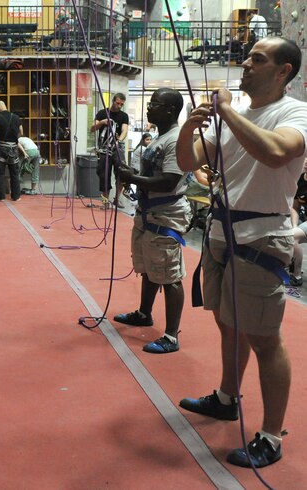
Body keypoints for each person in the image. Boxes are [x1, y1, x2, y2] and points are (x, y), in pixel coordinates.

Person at [175, 37, 307, 468]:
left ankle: (271, 435)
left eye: (258, 59)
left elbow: (275, 153)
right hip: (221, 231)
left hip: (261, 236)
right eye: (248, 57)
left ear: (283, 71)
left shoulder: (295, 112)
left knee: (265, 338)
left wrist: (227, 111)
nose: (246, 64)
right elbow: (186, 163)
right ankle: (228, 397)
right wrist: (190, 126)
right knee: (228, 323)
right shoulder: (230, 118)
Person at [114, 88, 191, 354]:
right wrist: (129, 172)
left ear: (170, 110)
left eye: (154, 104)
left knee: (169, 275)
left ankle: (171, 336)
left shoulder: (177, 140)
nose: (148, 108)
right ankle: (144, 313)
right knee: (148, 266)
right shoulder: (161, 138)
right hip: (149, 213)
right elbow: (153, 173)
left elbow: (169, 180)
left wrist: (133, 178)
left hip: (166, 214)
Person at [91, 93, 129, 207]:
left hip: (117, 148)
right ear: (113, 101)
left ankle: (117, 198)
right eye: (117, 103)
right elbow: (92, 128)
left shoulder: (124, 116)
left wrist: (119, 141)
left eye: (122, 104)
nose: (119, 106)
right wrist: (102, 122)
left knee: (122, 173)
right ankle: (105, 201)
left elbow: (125, 130)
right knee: (104, 175)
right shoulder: (102, 113)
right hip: (104, 149)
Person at [0, 100, 23, 201]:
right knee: (14, 173)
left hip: (1, 148)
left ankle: (1, 197)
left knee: (0, 173)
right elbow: (21, 132)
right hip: (13, 148)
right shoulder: (16, 117)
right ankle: (16, 196)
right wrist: (14, 139)